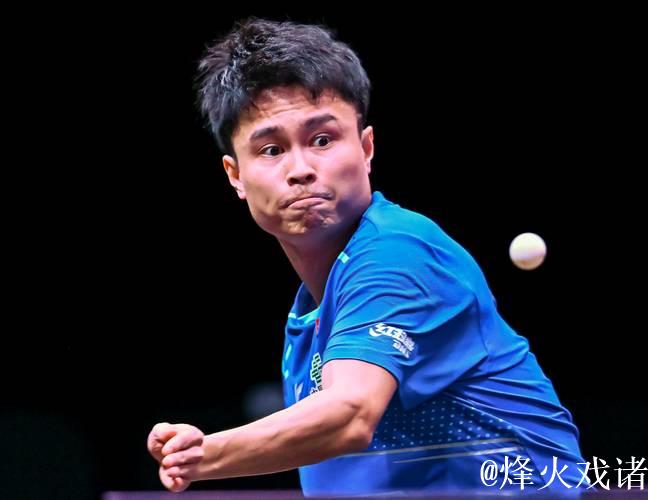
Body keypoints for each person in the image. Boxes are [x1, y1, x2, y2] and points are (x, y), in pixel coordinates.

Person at [147, 18, 588, 496]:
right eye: (272, 150)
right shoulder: (312, 315)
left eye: (322, 140)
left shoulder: (397, 251)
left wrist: (204, 454)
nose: (301, 169)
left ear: (366, 147)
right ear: (236, 176)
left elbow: (350, 415)